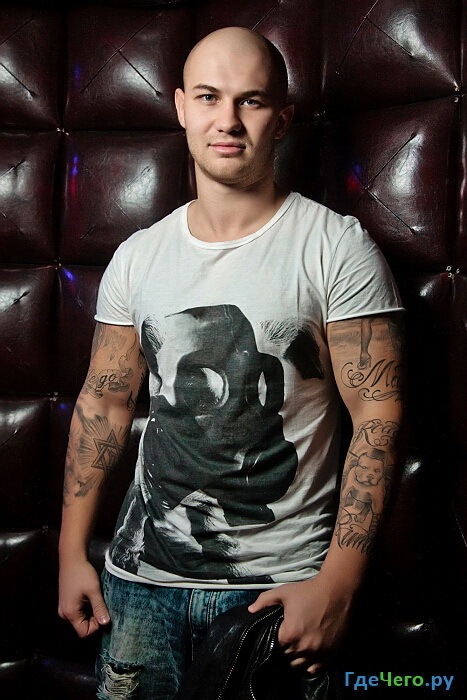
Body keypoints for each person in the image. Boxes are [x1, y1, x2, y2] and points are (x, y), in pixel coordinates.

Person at [58, 26, 405, 699]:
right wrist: (72, 554)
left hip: (278, 591)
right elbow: (104, 403)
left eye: (250, 100)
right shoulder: (139, 257)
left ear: (282, 118)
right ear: (181, 106)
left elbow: (378, 416)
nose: (227, 120)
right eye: (209, 97)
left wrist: (337, 584)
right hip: (139, 586)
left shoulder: (335, 247)